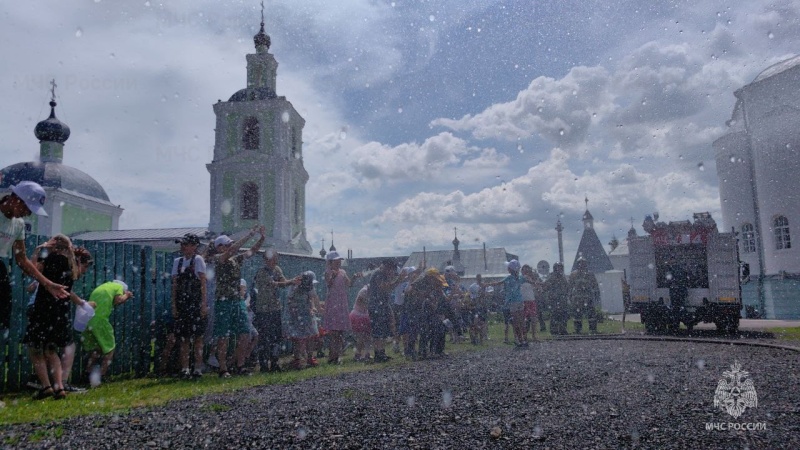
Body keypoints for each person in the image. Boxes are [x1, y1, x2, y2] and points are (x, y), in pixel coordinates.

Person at [1, 181, 69, 332]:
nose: (28, 214)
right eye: (27, 208)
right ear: (16, 199)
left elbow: (22, 259)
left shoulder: (18, 224)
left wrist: (47, 283)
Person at [22, 234, 82, 400]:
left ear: (54, 245)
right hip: (60, 310)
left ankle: (47, 386)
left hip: (44, 308)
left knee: (35, 348)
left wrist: (38, 250)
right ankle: (59, 387)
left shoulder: (50, 258)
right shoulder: (72, 263)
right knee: (51, 348)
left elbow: (32, 270)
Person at [212, 226, 265, 378]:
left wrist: (261, 239)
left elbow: (252, 252)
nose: (230, 246)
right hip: (223, 301)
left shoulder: (235, 260)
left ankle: (239, 365)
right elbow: (233, 250)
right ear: (219, 247)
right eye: (227, 244)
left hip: (237, 300)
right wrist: (250, 234)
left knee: (245, 333)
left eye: (230, 244)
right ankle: (223, 368)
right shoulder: (218, 259)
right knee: (223, 336)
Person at [253, 248, 298, 372]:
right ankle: (263, 365)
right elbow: (274, 284)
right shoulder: (261, 272)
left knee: (276, 337)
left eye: (275, 258)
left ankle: (274, 362)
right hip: (263, 310)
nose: (274, 261)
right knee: (264, 338)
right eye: (271, 258)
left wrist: (291, 281)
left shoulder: (277, 270)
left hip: (275, 308)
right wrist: (291, 282)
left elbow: (282, 281)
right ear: (266, 260)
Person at [171, 233, 208, 379]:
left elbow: (203, 283)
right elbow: (175, 285)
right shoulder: (177, 262)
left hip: (195, 302)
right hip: (182, 303)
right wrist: (174, 304)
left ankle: (198, 368)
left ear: (194, 246)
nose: (183, 247)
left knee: (198, 337)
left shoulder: (198, 260)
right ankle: (185, 368)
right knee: (184, 338)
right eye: (182, 244)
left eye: (186, 244)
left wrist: (203, 304)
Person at [82, 280, 134, 385]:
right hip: (100, 321)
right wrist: (127, 296)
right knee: (110, 348)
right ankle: (102, 375)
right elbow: (118, 300)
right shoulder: (118, 287)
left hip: (87, 321)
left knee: (96, 350)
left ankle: (86, 375)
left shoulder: (103, 287)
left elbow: (113, 302)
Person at [366, 259, 408, 363]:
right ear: (386, 267)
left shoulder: (382, 274)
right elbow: (384, 287)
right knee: (378, 331)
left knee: (382, 331)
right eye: (391, 269)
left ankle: (382, 353)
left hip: (382, 305)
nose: (391, 272)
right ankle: (378, 355)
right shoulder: (378, 274)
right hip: (376, 306)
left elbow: (388, 287)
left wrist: (399, 279)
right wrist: (399, 280)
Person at [323, 251, 359, 365]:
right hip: (333, 304)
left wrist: (354, 278)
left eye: (339, 260)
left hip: (341, 304)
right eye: (336, 261)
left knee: (339, 332)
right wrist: (333, 277)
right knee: (334, 332)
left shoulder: (342, 272)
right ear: (330, 262)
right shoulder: (327, 272)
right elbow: (329, 284)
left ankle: (336, 356)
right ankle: (332, 357)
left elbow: (349, 284)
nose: (338, 262)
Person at [284, 271, 322, 369]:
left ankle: (310, 358)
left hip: (307, 314)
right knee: (298, 338)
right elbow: (289, 300)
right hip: (296, 314)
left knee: (311, 336)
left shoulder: (309, 286)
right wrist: (295, 310)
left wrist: (313, 307)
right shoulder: (294, 286)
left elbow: (312, 298)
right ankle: (297, 359)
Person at [569, 257, 601, 334]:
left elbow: (595, 285)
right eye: (580, 263)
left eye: (583, 263)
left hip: (588, 297)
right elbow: (570, 286)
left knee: (591, 314)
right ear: (577, 264)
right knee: (577, 315)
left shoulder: (590, 274)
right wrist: (570, 296)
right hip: (577, 298)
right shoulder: (573, 274)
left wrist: (596, 295)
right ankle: (578, 330)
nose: (582, 265)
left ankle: (593, 329)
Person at [545, 262, 571, 335]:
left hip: (562, 299)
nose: (559, 269)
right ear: (555, 268)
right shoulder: (551, 276)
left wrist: (567, 294)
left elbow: (566, 287)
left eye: (561, 268)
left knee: (563, 315)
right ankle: (554, 330)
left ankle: (563, 329)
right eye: (558, 267)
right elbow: (546, 286)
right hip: (554, 299)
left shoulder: (562, 277)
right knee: (555, 315)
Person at [349, 284, 372, 362]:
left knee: (367, 336)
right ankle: (358, 354)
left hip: (364, 314)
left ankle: (367, 353)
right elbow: (361, 300)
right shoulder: (364, 291)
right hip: (359, 315)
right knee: (361, 336)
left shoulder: (368, 290)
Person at [520, 264, 540, 342]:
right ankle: (524, 336)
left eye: (527, 270)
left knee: (533, 318)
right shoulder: (520, 278)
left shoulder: (532, 279)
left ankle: (534, 335)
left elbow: (537, 288)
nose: (526, 272)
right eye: (525, 270)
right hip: (523, 300)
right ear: (522, 271)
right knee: (523, 319)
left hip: (531, 300)